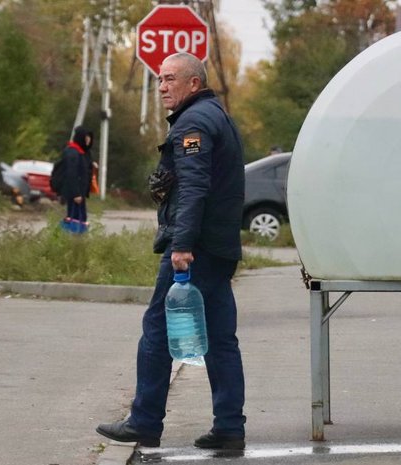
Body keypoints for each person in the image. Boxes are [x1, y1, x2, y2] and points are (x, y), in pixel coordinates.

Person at [96, 52, 247, 450]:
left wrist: (181, 245)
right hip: (220, 244)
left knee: (157, 330)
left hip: (196, 248)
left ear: (193, 84)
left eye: (169, 79)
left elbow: (194, 187)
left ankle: (145, 421)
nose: (162, 87)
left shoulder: (194, 123)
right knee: (220, 336)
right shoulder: (217, 114)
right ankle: (230, 427)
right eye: (160, 80)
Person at [60, 126, 93, 232]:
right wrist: (76, 194)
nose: (88, 140)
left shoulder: (81, 152)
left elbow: (83, 170)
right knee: (74, 219)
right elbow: (71, 174)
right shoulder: (72, 153)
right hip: (75, 194)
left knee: (81, 219)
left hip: (80, 193)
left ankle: (78, 241)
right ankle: (73, 240)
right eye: (86, 138)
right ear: (80, 138)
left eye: (89, 138)